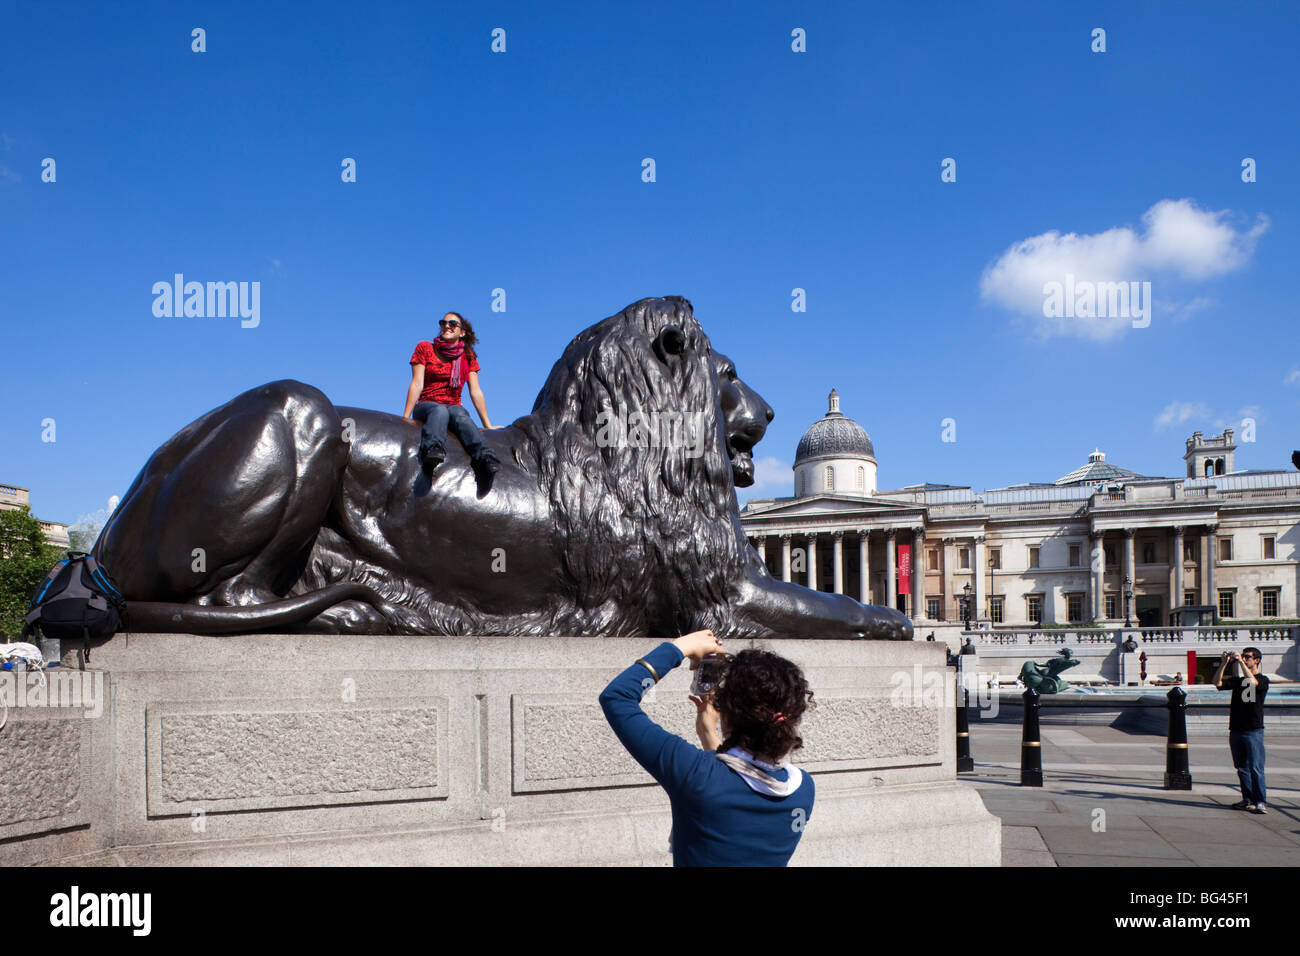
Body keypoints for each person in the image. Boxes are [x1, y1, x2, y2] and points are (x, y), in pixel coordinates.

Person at [599, 629, 816, 866]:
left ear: (728, 712)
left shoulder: (695, 774)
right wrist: (708, 734)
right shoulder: (803, 788)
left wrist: (680, 647)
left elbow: (617, 697)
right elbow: (737, 785)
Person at [403, 312, 501, 482]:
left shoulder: (468, 356)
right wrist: (405, 418)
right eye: (443, 323)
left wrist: (488, 425)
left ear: (462, 332)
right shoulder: (425, 348)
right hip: (427, 404)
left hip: (454, 406)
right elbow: (417, 383)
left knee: (461, 415)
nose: (447, 326)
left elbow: (475, 391)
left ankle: (484, 456)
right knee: (439, 410)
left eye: (453, 324)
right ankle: (432, 448)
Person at [1213, 646, 1268, 814]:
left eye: (1248, 657)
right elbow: (1217, 683)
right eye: (1243, 656)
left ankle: (1260, 801)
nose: (1244, 659)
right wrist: (1224, 664)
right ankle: (1248, 799)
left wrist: (1241, 664)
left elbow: (1253, 683)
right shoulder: (1238, 681)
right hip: (1236, 728)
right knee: (1241, 767)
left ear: (1257, 660)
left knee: (1256, 767)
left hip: (1253, 729)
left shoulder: (1262, 679)